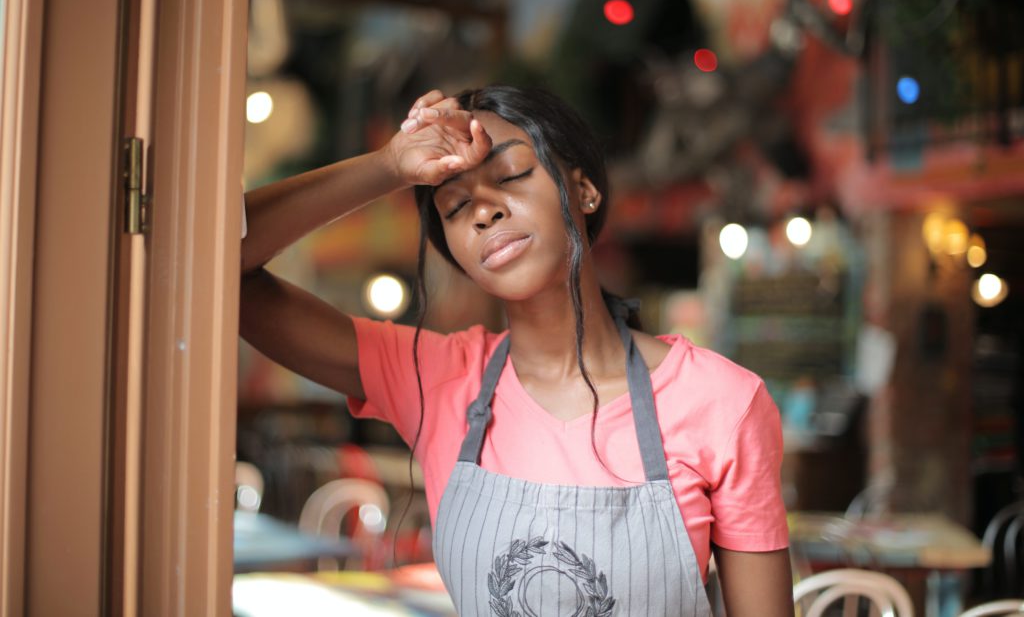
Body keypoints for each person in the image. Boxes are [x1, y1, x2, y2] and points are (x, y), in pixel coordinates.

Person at [240, 85, 794, 615]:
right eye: (456, 208)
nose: (484, 211)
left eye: (511, 175)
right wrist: (387, 166)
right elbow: (225, 266)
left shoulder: (722, 402)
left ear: (583, 190)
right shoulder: (433, 377)